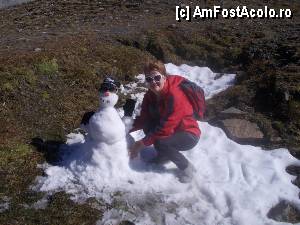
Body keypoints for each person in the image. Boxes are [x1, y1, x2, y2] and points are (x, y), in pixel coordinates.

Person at [129, 60, 201, 182]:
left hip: (188, 133)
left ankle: (187, 168)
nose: (153, 82)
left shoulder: (175, 95)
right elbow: (143, 119)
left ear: (164, 77)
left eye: (157, 77)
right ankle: (164, 156)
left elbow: (165, 127)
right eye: (149, 79)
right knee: (148, 126)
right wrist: (124, 128)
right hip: (171, 131)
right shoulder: (149, 96)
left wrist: (141, 143)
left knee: (161, 142)